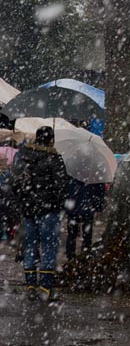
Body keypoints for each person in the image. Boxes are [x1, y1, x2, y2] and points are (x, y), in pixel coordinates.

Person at [9, 126, 69, 301]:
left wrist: (25, 199)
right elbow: (61, 187)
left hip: (28, 211)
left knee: (30, 248)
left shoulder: (23, 155)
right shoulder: (54, 158)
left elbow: (14, 181)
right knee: (49, 249)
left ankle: (30, 286)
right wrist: (56, 204)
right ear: (51, 139)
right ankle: (46, 289)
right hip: (48, 211)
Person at [64, 179, 106, 260]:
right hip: (88, 205)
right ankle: (84, 254)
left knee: (72, 234)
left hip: (74, 206)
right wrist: (98, 206)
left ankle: (70, 255)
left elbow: (66, 188)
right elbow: (100, 190)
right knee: (86, 234)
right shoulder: (94, 173)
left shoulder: (72, 172)